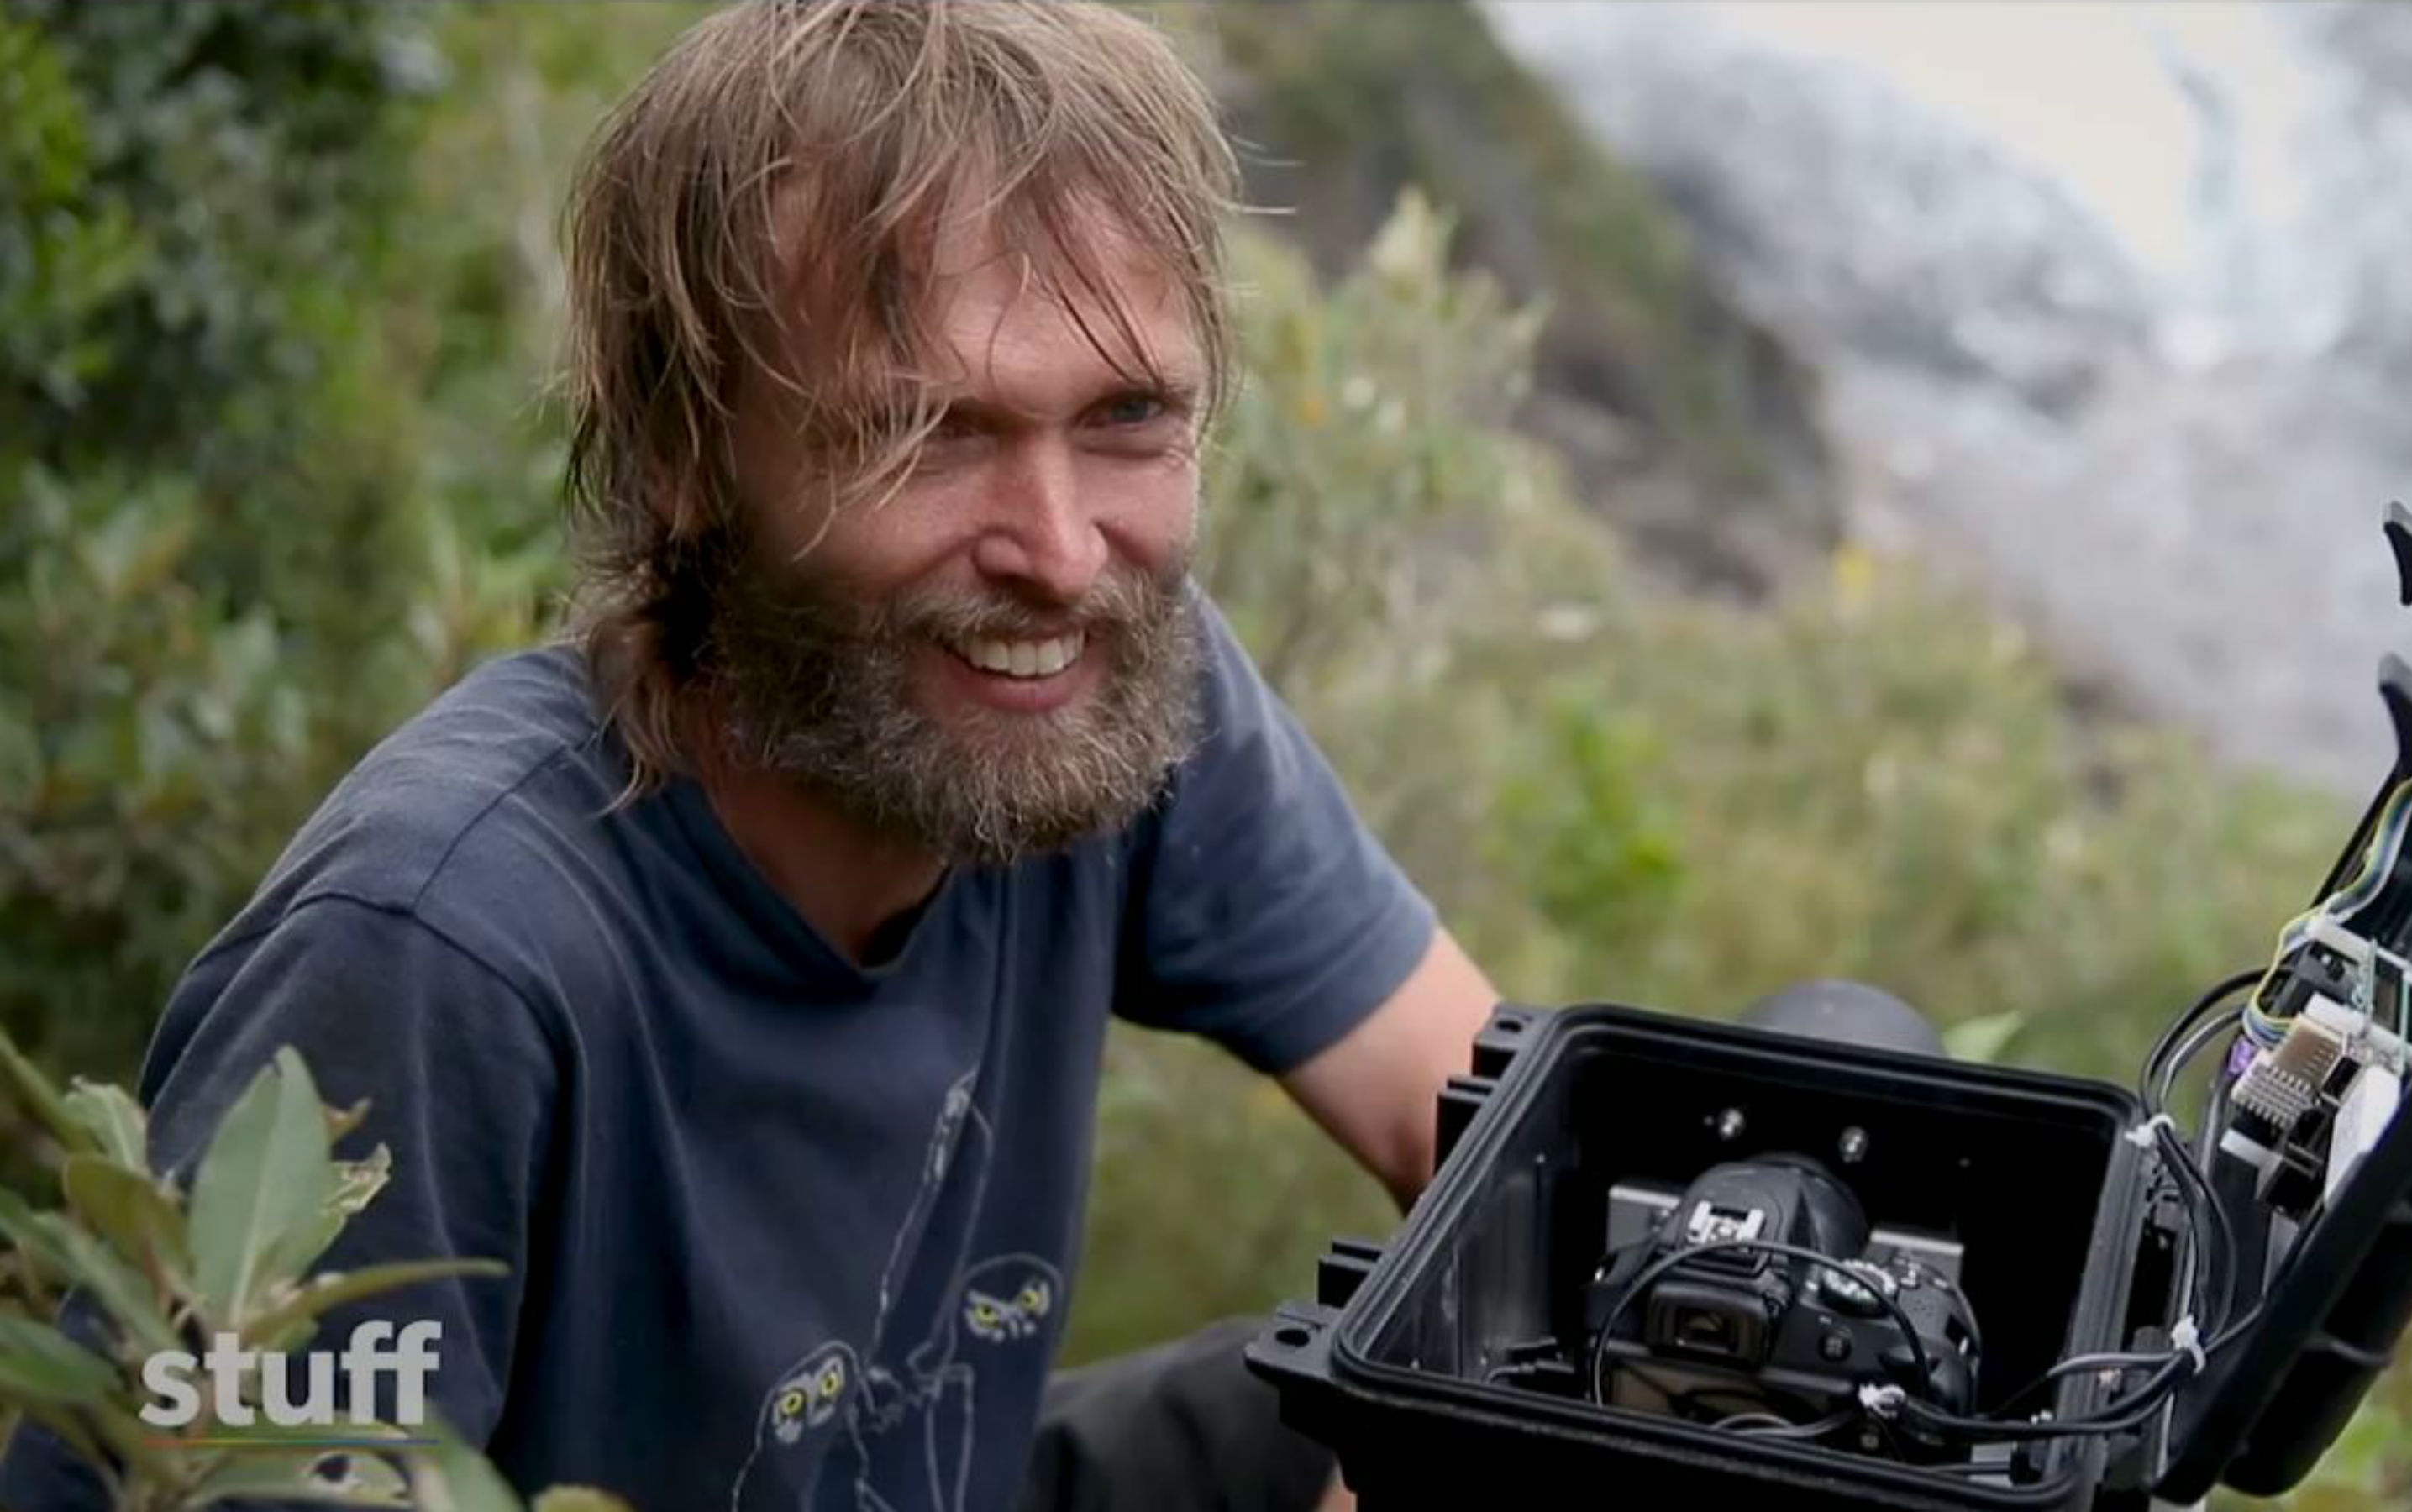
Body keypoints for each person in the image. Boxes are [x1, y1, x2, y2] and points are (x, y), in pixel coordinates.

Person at [0, 2, 1503, 1508]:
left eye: (1127, 417)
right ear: (686, 457)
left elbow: (1509, 1162)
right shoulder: (437, 958)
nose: (1058, 553)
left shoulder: (1106, 685)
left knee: (1356, 1400)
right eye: (922, 434)